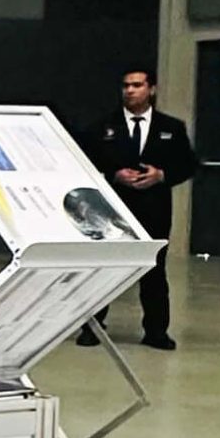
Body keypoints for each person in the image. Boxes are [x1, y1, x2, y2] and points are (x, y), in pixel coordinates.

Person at [86, 67, 198, 349]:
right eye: (126, 86)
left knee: (154, 270)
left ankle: (156, 331)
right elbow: (87, 162)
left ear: (151, 89)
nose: (130, 91)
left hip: (154, 208)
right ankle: (92, 327)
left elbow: (188, 164)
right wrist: (113, 175)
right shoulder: (103, 127)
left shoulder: (171, 127)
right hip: (113, 209)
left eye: (137, 85)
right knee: (104, 268)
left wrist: (161, 175)